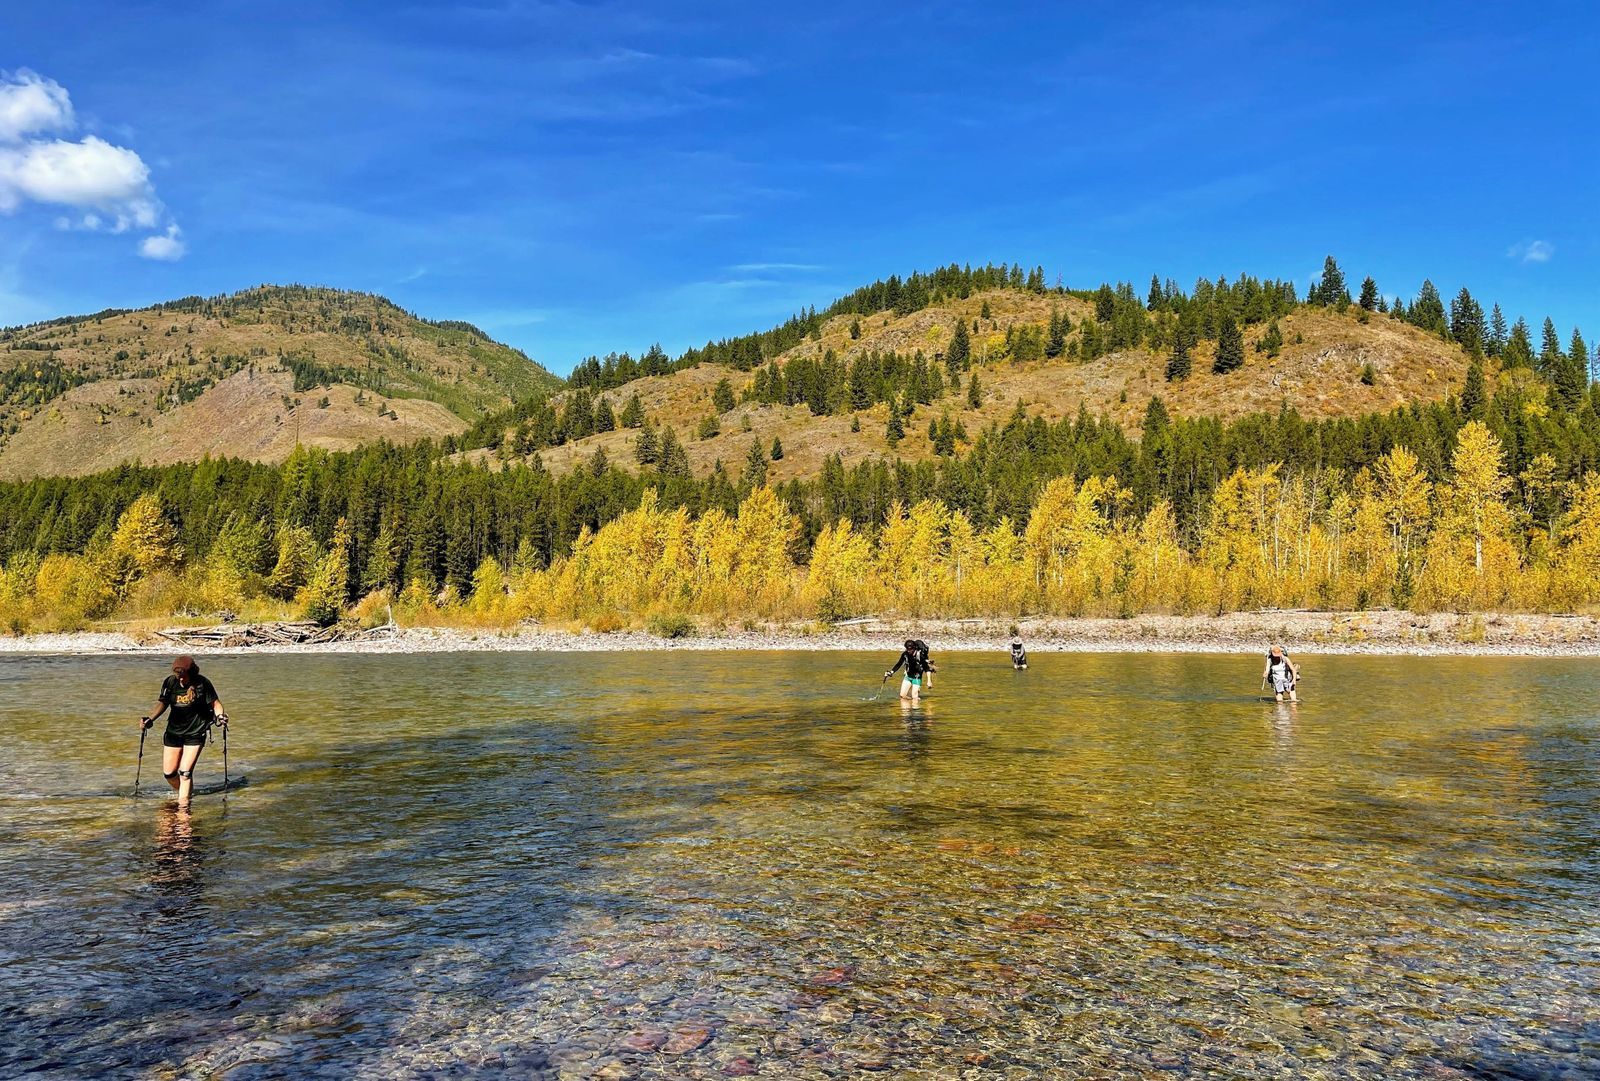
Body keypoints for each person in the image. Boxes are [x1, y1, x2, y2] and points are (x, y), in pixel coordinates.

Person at [140, 656, 228, 810]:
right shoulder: (170, 682)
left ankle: (183, 810)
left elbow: (216, 704)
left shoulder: (203, 683)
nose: (180, 679)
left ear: (191, 673)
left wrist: (220, 716)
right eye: (177, 675)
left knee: (185, 773)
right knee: (169, 774)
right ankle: (186, 794)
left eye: (183, 676)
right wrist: (150, 719)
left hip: (195, 732)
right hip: (174, 732)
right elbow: (163, 703)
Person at [886, 639, 936, 705]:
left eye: (910, 649)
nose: (909, 651)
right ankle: (907, 708)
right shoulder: (905, 654)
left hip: (917, 677)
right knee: (902, 696)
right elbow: (899, 664)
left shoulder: (920, 656)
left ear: (914, 648)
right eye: (907, 649)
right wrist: (891, 672)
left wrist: (929, 681)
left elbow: (927, 669)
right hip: (908, 676)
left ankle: (916, 709)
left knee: (914, 697)